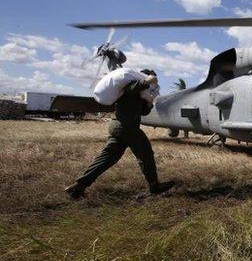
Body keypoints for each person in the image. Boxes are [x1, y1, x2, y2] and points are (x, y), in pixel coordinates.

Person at [64, 69, 174, 199]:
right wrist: (149, 80)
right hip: (127, 127)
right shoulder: (131, 86)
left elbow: (143, 112)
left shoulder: (141, 94)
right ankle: (154, 186)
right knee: (146, 154)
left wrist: (149, 103)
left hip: (121, 128)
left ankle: (78, 187)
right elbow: (133, 88)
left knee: (107, 159)